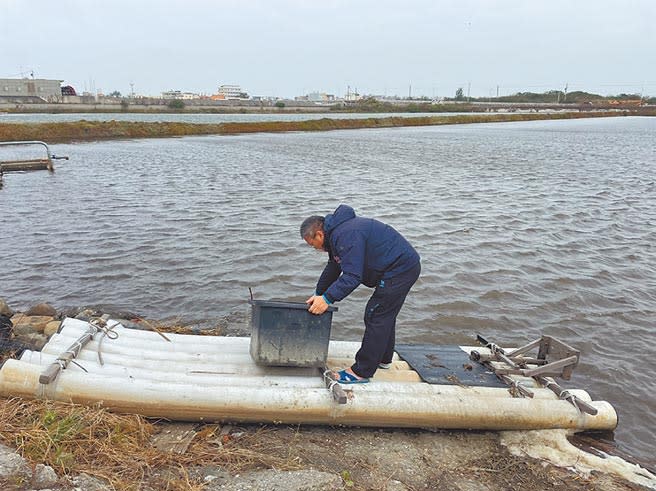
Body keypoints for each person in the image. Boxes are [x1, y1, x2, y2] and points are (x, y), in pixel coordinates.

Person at [301, 204, 421, 384]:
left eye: (313, 245)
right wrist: (319, 293)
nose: (315, 249)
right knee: (384, 314)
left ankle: (361, 371)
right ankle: (383, 358)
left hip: (400, 269)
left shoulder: (345, 235)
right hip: (399, 267)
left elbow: (352, 276)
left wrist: (327, 299)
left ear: (319, 234)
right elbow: (334, 267)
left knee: (375, 314)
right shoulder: (336, 236)